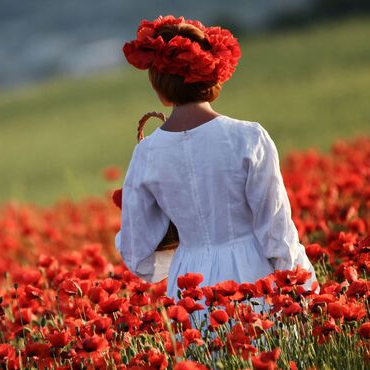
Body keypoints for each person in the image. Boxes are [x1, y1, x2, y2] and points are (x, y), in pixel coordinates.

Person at [114, 15, 318, 306]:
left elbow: (137, 253)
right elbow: (277, 231)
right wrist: (306, 292)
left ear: (159, 86)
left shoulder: (147, 154)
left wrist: (177, 252)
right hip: (253, 277)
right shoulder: (248, 138)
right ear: (213, 74)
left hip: (188, 287)